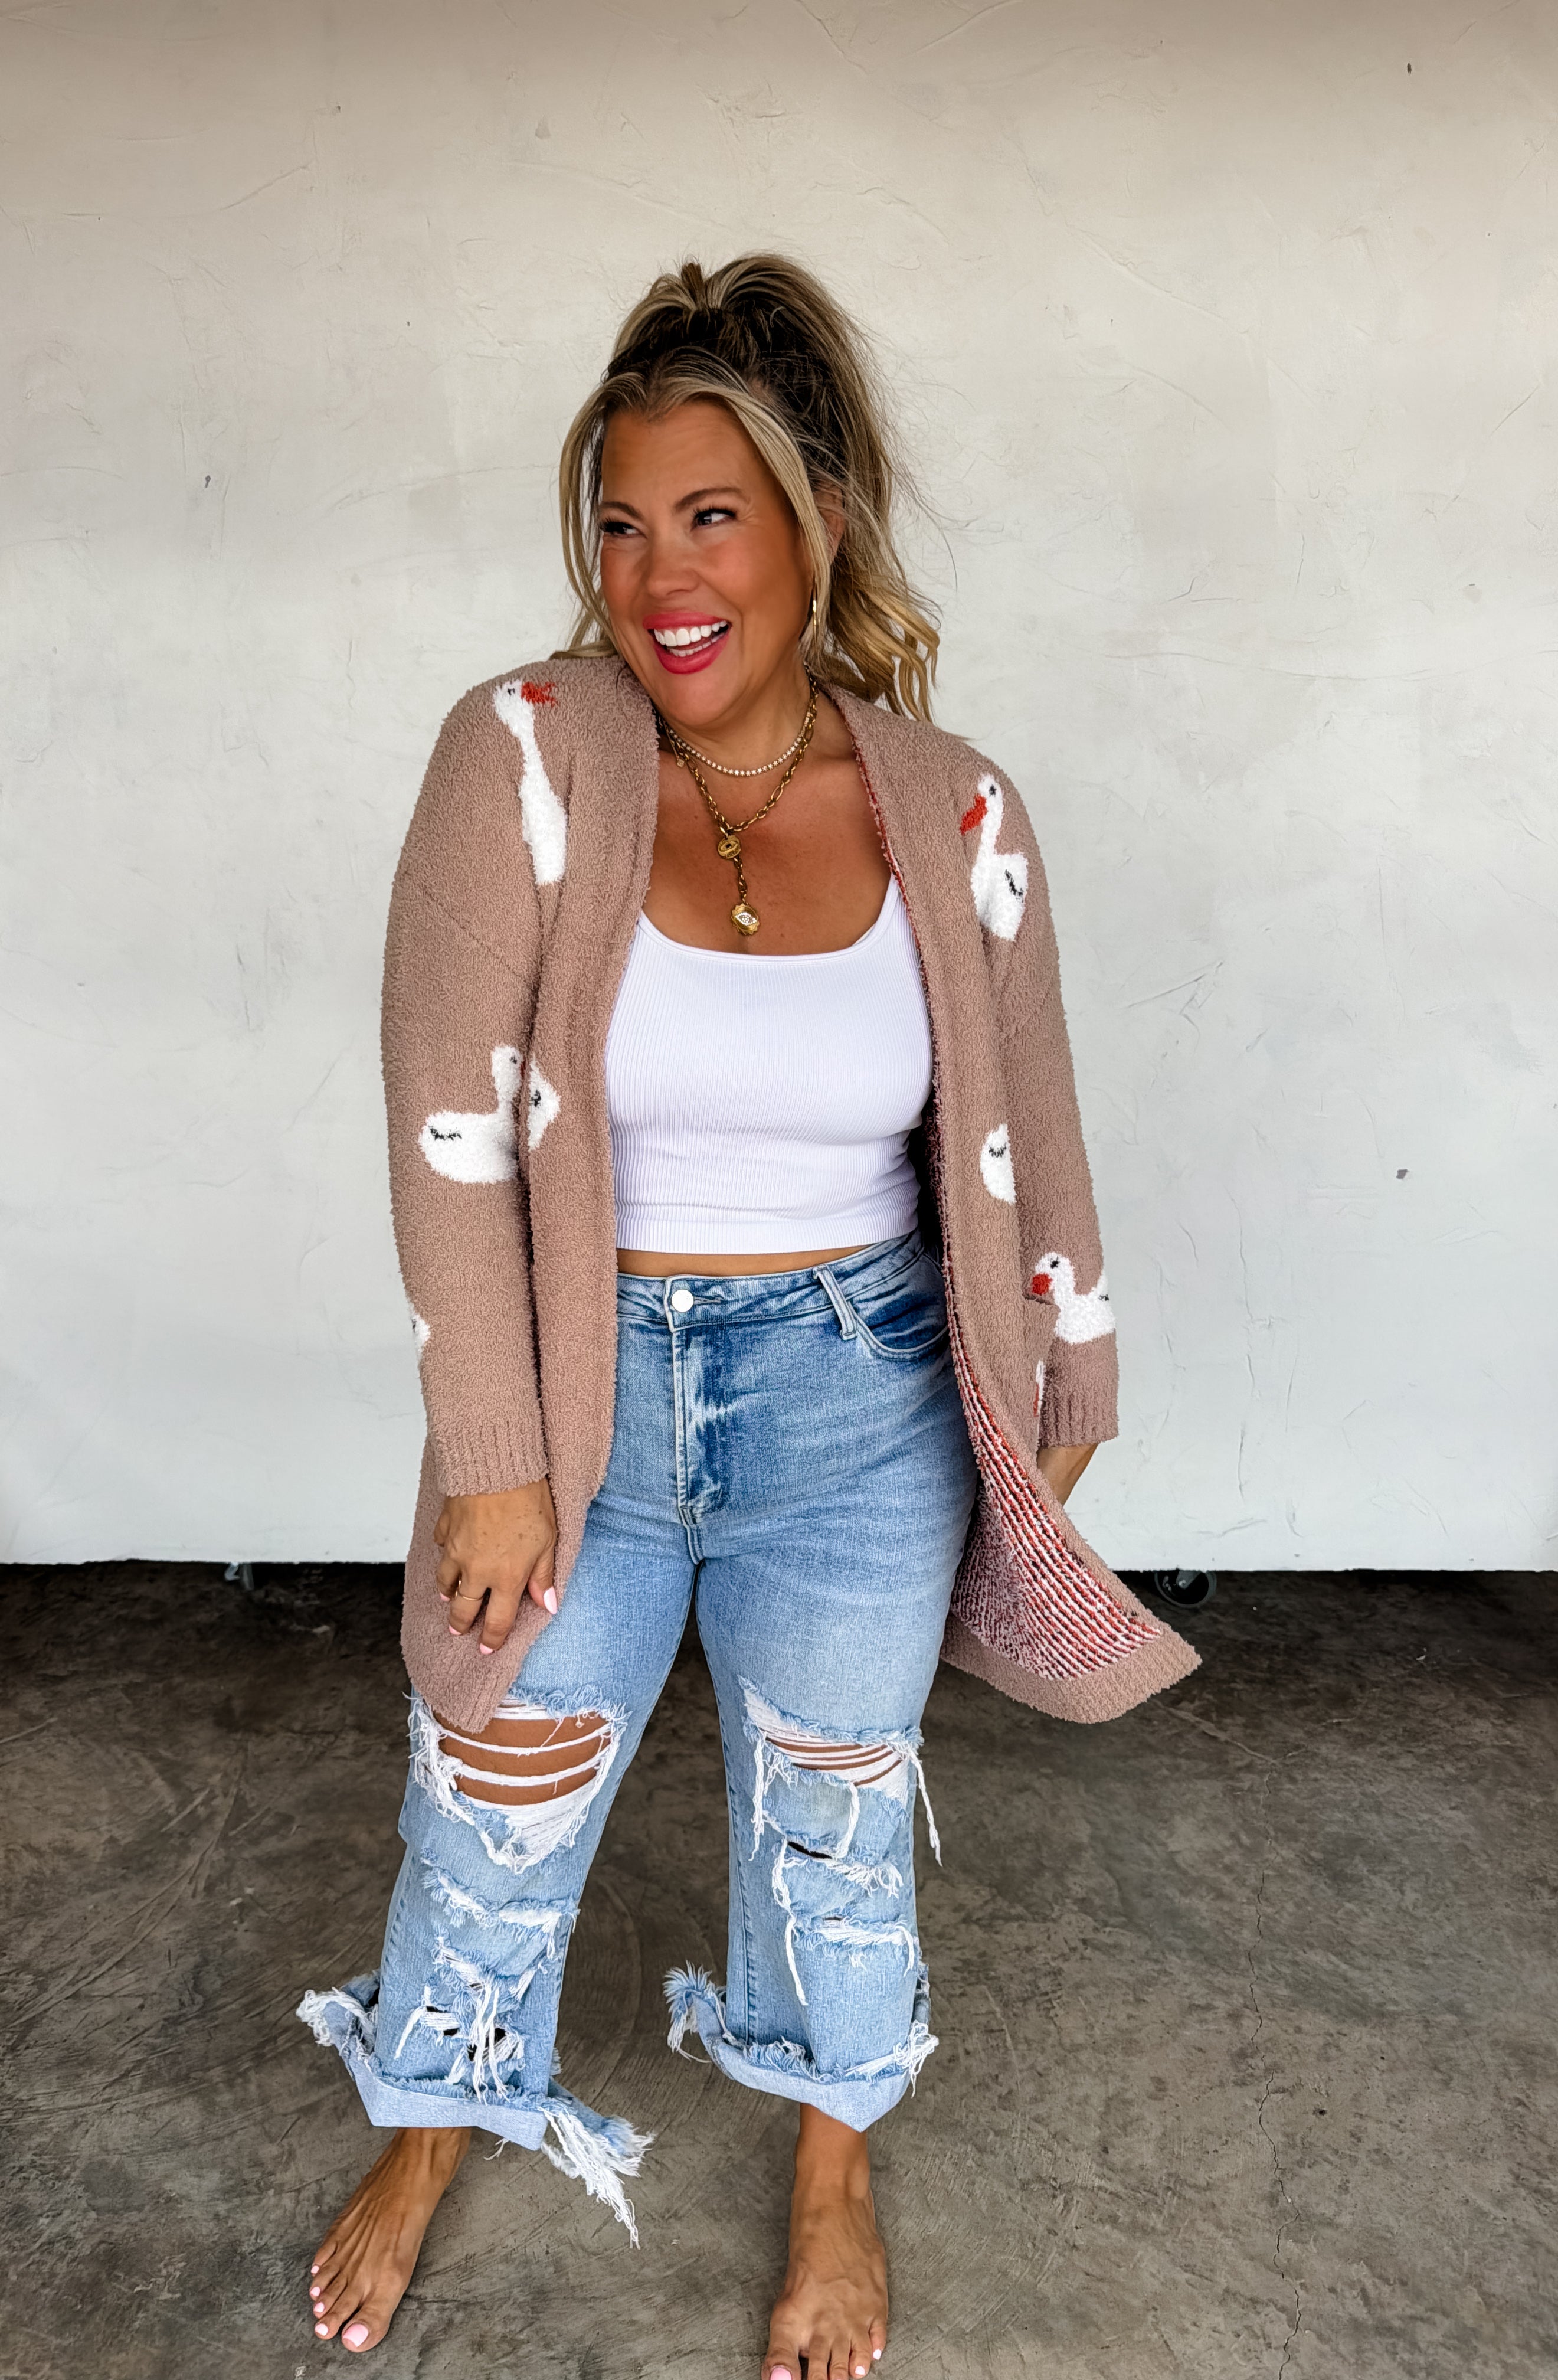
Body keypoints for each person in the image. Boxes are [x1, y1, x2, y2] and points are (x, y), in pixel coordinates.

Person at [297, 253, 1194, 2374]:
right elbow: (446, 1136)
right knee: (495, 1791)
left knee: (836, 1814)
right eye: (620, 523)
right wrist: (498, 1459)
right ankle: (433, 2120)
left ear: (819, 524)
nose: (659, 577)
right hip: (584, 1394)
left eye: (711, 516)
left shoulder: (953, 805)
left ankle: (831, 2173)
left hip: (862, 1402)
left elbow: (1034, 1122)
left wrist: (1065, 1382)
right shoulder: (526, 757)